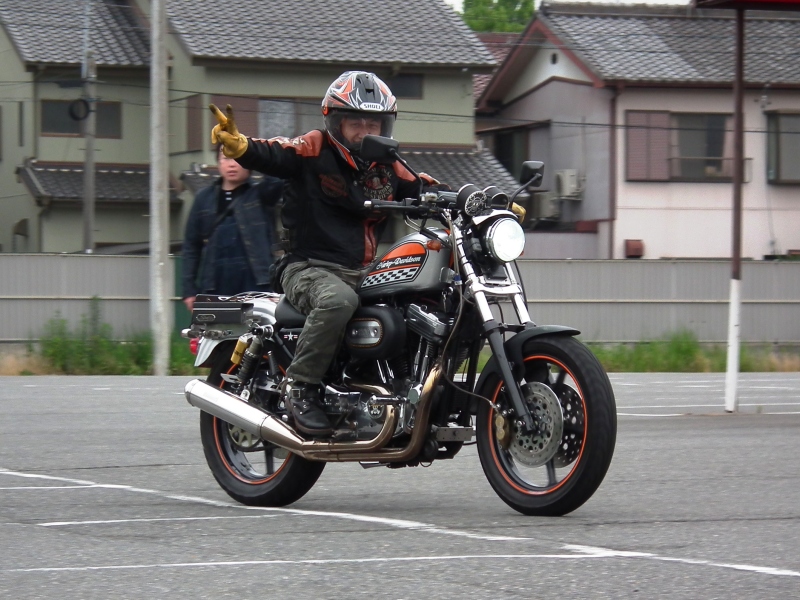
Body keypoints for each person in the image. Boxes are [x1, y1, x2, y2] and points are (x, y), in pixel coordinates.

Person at [181, 145, 283, 311]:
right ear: (218, 162)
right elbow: (191, 247)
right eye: (226, 158)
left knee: (256, 326)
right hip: (214, 282)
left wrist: (257, 155)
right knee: (218, 327)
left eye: (239, 158)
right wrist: (189, 290)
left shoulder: (261, 194)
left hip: (256, 282)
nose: (232, 164)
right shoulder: (203, 198)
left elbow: (277, 179)